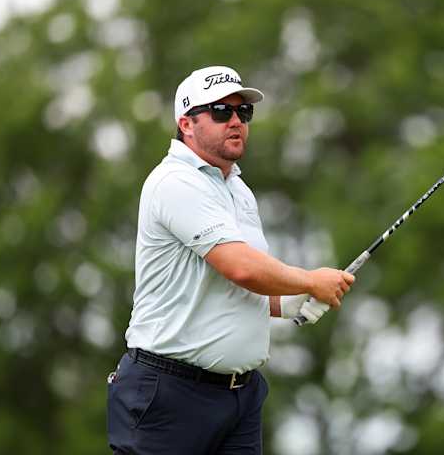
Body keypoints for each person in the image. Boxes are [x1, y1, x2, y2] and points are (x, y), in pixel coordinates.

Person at [107, 65, 355, 454]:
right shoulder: (174, 181)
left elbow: (241, 284)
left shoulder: (237, 189)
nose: (236, 121)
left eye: (244, 112)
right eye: (221, 111)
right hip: (168, 394)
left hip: (239, 398)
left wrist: (289, 303)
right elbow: (240, 266)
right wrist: (309, 281)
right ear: (186, 124)